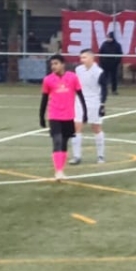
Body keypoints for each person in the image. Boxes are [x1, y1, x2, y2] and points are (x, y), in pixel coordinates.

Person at [39, 54, 86, 182]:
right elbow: (44, 99)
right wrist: (41, 117)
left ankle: (61, 170)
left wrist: (85, 112)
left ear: (63, 64)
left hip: (68, 116)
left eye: (56, 63)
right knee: (57, 141)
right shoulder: (48, 80)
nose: (53, 66)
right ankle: (58, 171)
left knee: (64, 143)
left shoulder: (72, 77)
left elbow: (80, 95)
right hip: (54, 115)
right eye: (52, 64)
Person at [70, 48, 107, 166]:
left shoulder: (99, 72)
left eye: (84, 57)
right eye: (81, 57)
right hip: (80, 101)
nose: (82, 60)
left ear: (92, 58)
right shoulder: (78, 69)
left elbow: (104, 89)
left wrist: (102, 104)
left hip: (94, 102)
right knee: (76, 126)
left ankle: (100, 155)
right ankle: (77, 156)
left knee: (96, 128)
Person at [99, 28, 124, 98]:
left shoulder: (117, 45)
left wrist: (117, 62)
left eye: (109, 37)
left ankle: (114, 90)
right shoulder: (104, 44)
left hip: (113, 64)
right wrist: (102, 62)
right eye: (107, 37)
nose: (108, 39)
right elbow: (100, 53)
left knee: (114, 78)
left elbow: (120, 54)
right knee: (104, 78)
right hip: (105, 64)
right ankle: (103, 90)